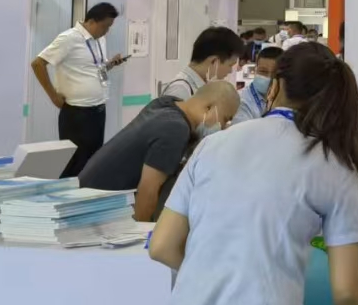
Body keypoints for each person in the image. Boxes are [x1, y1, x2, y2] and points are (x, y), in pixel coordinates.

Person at [150, 43, 358, 305]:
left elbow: (161, 245)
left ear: (277, 85)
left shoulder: (214, 144)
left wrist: (210, 272)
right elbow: (346, 289)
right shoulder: (332, 163)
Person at [79, 82, 240, 221]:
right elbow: (148, 192)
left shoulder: (166, 103)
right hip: (95, 209)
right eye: (225, 119)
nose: (222, 127)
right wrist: (143, 239)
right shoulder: (175, 129)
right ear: (209, 108)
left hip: (84, 192)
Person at [31, 2, 127, 178]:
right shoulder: (69, 38)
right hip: (77, 114)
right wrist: (53, 96)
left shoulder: (99, 40)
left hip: (98, 111)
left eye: (109, 27)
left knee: (92, 162)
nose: (106, 31)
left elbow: (94, 67)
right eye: (105, 26)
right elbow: (37, 64)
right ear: (91, 21)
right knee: (74, 164)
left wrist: (111, 64)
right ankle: (68, 194)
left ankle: (87, 193)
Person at [161, 26, 248, 100]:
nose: (230, 71)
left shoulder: (201, 86)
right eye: (230, 65)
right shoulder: (180, 91)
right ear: (214, 61)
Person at [236, 46, 283, 124]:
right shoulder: (241, 100)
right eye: (263, 71)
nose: (269, 77)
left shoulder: (286, 100)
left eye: (275, 74)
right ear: (255, 70)